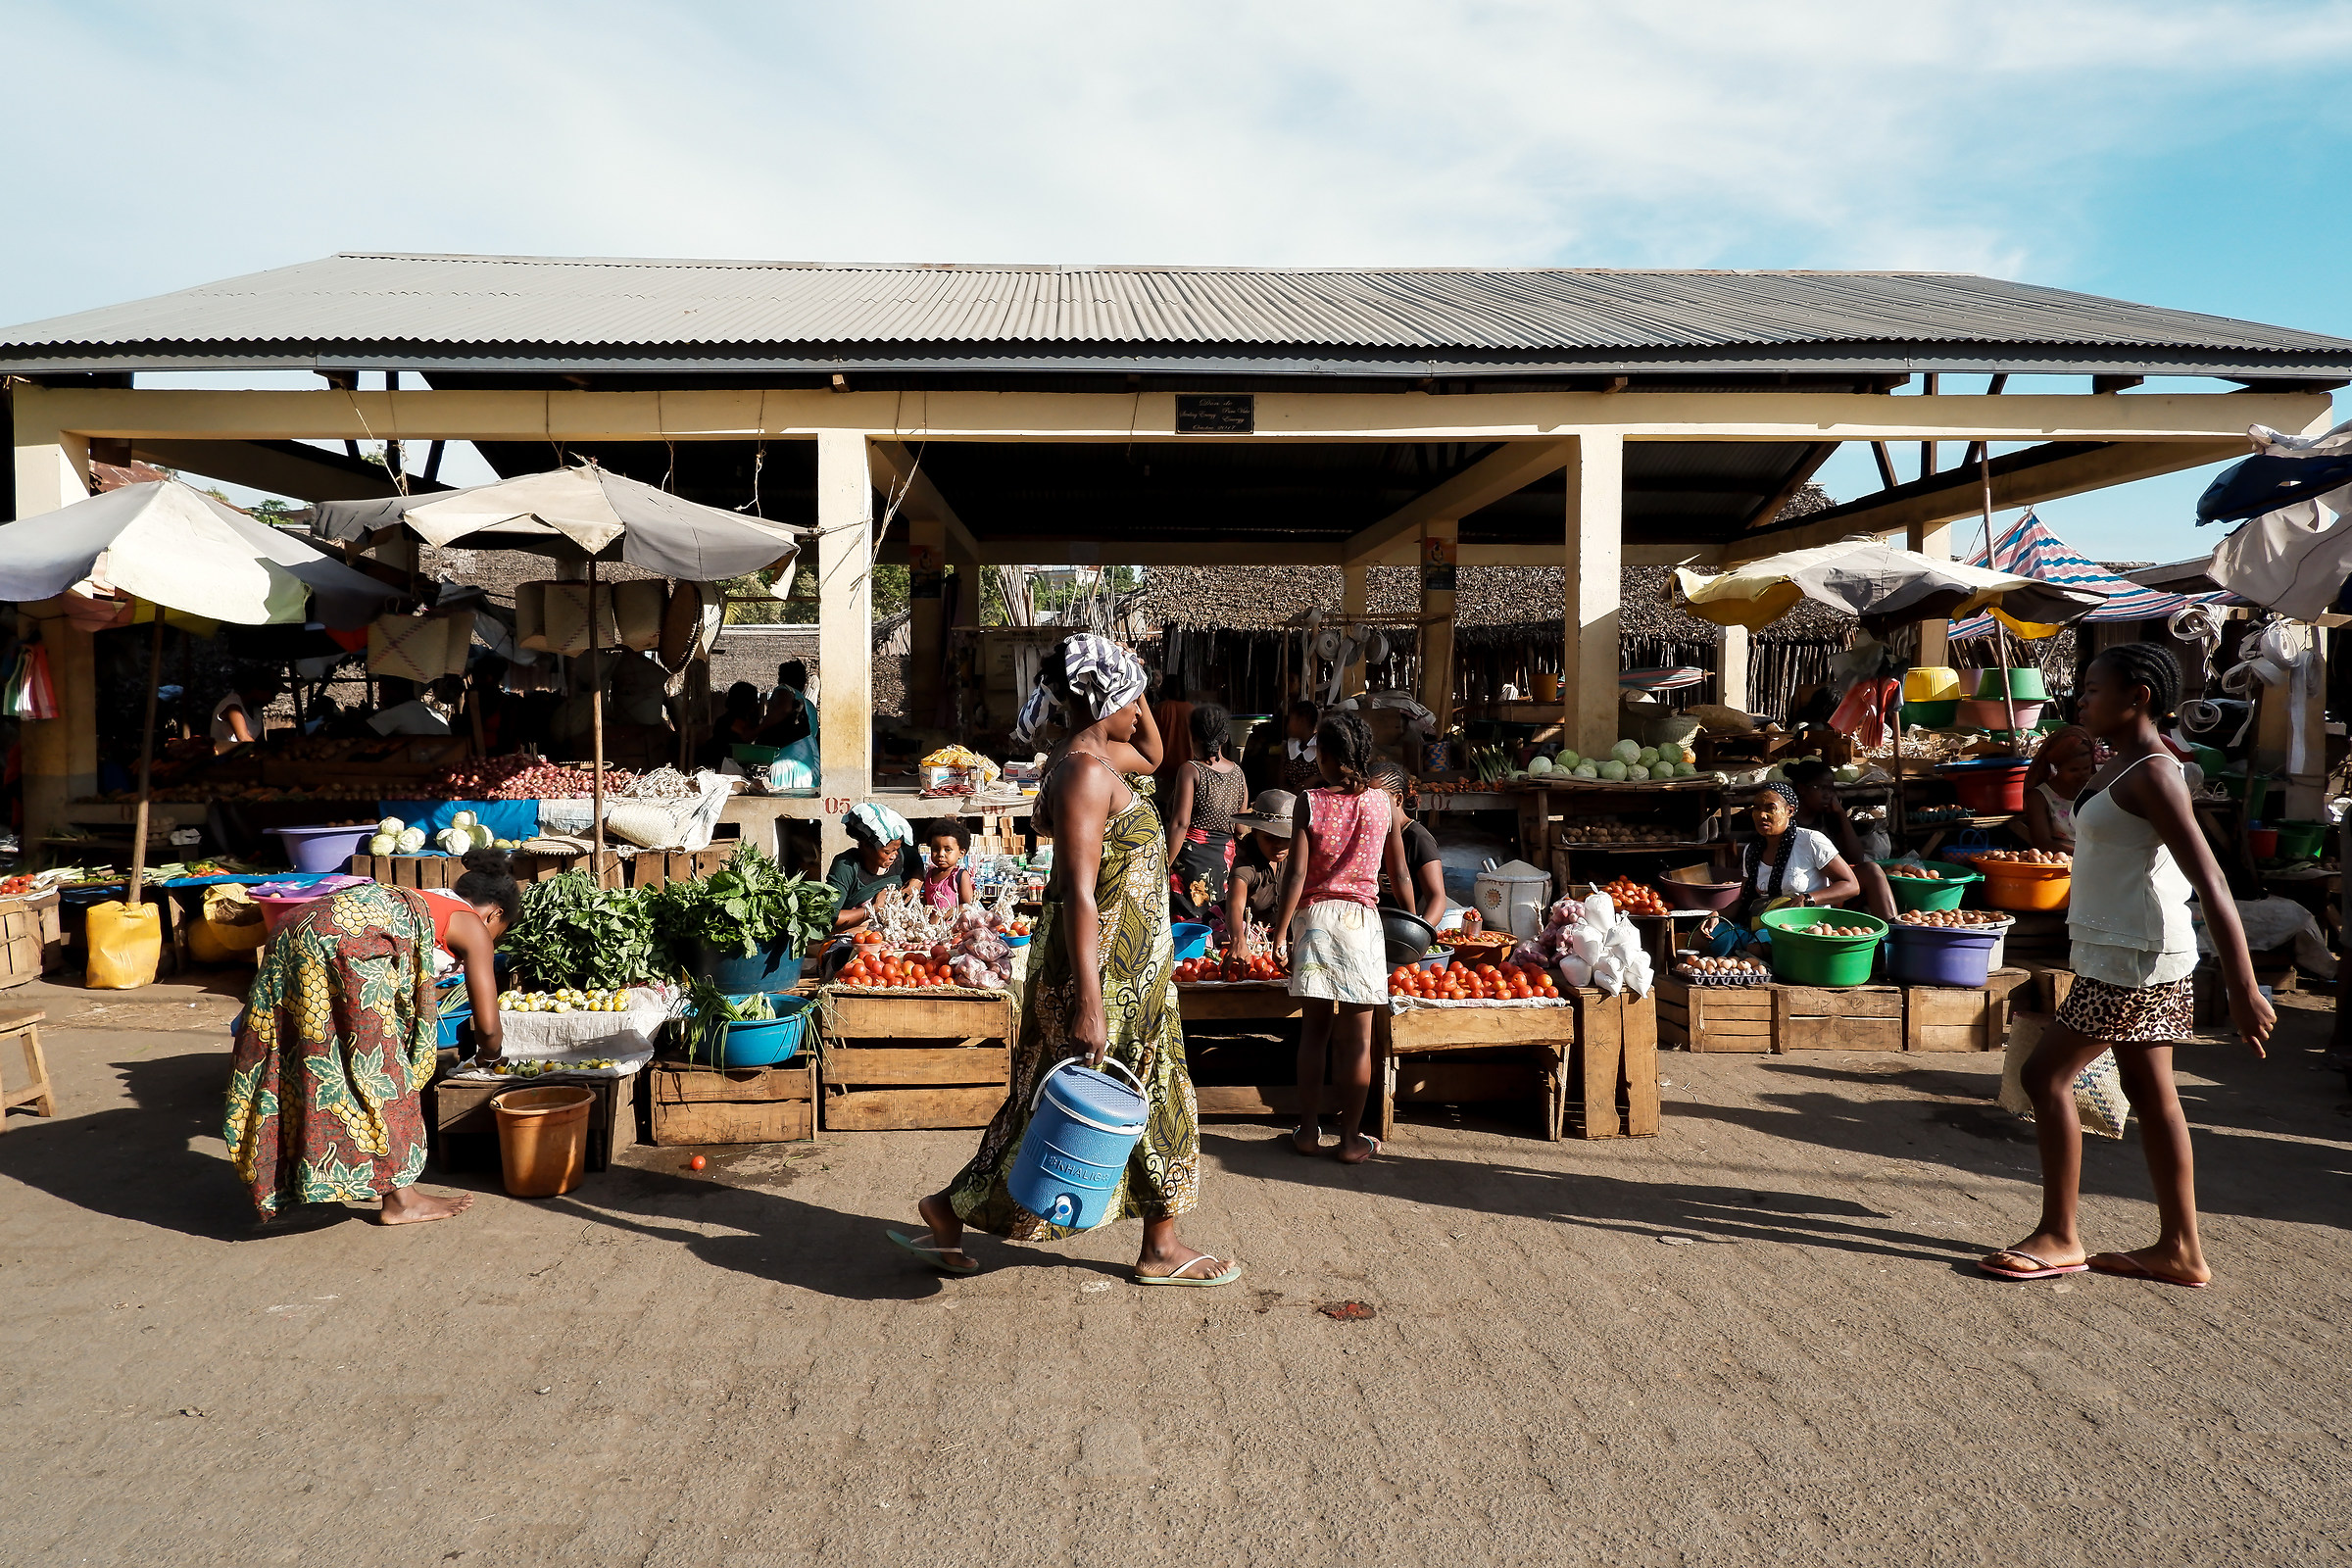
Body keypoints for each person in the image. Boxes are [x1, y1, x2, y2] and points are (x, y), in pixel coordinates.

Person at [897, 633, 1237, 1287]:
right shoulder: (1084, 772)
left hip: (1131, 972)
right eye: (1130, 696)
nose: (1140, 709)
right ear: (1105, 700)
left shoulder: (1096, 756)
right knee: (1121, 1096)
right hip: (1105, 974)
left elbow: (1155, 753)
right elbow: (1078, 891)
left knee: (1066, 1099)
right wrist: (1090, 1003)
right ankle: (1159, 1246)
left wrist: (1132, 685)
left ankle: (950, 1209)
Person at [1981, 644, 2274, 1288]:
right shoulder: (2120, 765)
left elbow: (2213, 883)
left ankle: (2060, 1235)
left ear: (2138, 697)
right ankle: (2181, 1249)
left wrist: (2245, 987)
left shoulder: (2155, 774)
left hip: (2133, 959)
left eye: (2093, 688)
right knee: (2151, 1092)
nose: (2080, 699)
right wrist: (2049, 758)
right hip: (2128, 951)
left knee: (2045, 1075)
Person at [222, 848, 519, 1225]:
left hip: (295, 926)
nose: (494, 937)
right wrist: (490, 1056)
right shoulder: (473, 924)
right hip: (349, 942)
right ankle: (401, 1201)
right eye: (500, 931)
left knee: (308, 1057)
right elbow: (488, 1027)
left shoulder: (428, 899)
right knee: (379, 1068)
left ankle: (290, 1178)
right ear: (494, 914)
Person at [1272, 711, 1411, 1164]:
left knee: (1314, 1034)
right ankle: (1351, 1139)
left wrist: (1280, 931)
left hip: (1315, 922)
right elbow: (1399, 872)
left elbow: (1295, 874)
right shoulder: (1383, 804)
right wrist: (1415, 924)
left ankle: (1308, 1131)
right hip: (1362, 926)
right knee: (1358, 1042)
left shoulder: (1309, 801)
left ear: (1327, 757)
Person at [1695, 782, 1863, 956]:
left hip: (1802, 924)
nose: (1762, 815)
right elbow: (1744, 901)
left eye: (1771, 808)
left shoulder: (1810, 841)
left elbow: (1851, 885)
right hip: (1760, 922)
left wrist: (1807, 898)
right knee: (1702, 938)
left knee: (1758, 948)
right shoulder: (1752, 850)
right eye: (1757, 808)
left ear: (1790, 811)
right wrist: (1717, 914)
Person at [1163, 704, 1249, 923]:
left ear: (1192, 737)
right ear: (1225, 738)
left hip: (1191, 863)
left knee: (1188, 925)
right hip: (1224, 863)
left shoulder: (1191, 770)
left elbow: (1180, 824)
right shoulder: (1238, 773)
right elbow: (1240, 827)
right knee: (1216, 924)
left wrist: (1164, 864)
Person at [1787, 760, 1894, 919]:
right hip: (1800, 884)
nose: (1828, 795)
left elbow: (1856, 858)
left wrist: (1841, 815)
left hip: (1831, 885)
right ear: (1802, 789)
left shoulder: (1828, 818)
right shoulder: (1787, 822)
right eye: (1820, 788)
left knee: (1872, 871)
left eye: (1831, 789)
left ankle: (1892, 929)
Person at [1370, 760, 1449, 925]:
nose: (1371, 806)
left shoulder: (1418, 838)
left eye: (1377, 800)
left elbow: (1437, 897)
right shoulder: (1368, 835)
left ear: (1398, 799)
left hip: (1400, 926)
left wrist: (1419, 931)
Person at [826, 805, 920, 930]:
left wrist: (917, 880)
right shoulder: (846, 866)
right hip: (855, 934)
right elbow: (830, 917)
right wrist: (872, 909)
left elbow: (913, 857)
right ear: (866, 846)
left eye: (896, 850)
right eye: (887, 852)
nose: (894, 856)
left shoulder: (899, 858)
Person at [1223, 789, 1295, 947]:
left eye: (1286, 838)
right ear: (1255, 833)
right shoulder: (1246, 864)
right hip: (1249, 936)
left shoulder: (1297, 859)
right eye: (1270, 838)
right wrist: (1238, 941)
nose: (1279, 845)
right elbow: (1235, 906)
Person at [2018, 725, 2097, 854]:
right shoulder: (2039, 797)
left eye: (2086, 768)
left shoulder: (2096, 788)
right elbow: (2043, 843)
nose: (2082, 774)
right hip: (2066, 859)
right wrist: (2087, 854)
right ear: (2057, 767)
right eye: (2073, 770)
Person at [211, 669, 282, 752]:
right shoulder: (232, 706)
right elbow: (243, 738)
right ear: (257, 689)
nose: (273, 699)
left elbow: (260, 741)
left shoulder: (257, 711)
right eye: (272, 693)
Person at [920, 818, 976, 909]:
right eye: (935, 849)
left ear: (961, 853)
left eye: (947, 850)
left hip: (953, 919)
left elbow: (968, 906)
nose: (941, 854)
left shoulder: (960, 875)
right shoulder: (930, 875)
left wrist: (944, 915)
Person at [1277, 699, 1322, 792]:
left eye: (1291, 720)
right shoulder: (1288, 747)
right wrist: (1293, 792)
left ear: (1302, 721)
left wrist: (1315, 779)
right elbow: (1281, 782)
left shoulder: (1322, 746)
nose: (1288, 725)